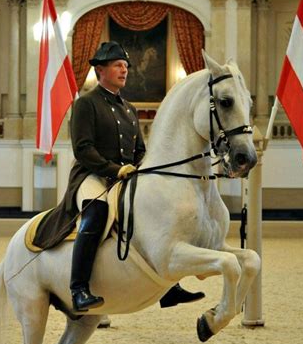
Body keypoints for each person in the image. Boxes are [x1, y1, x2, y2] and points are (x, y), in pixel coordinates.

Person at [33, 41, 204, 312]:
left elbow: (139, 150)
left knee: (154, 213)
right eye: (118, 66)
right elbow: (83, 149)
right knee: (97, 212)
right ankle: (78, 288)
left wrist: (144, 168)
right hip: (92, 176)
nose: (124, 70)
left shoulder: (129, 108)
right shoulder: (86, 104)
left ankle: (169, 288)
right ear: (100, 70)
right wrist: (115, 170)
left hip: (125, 177)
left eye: (126, 66)